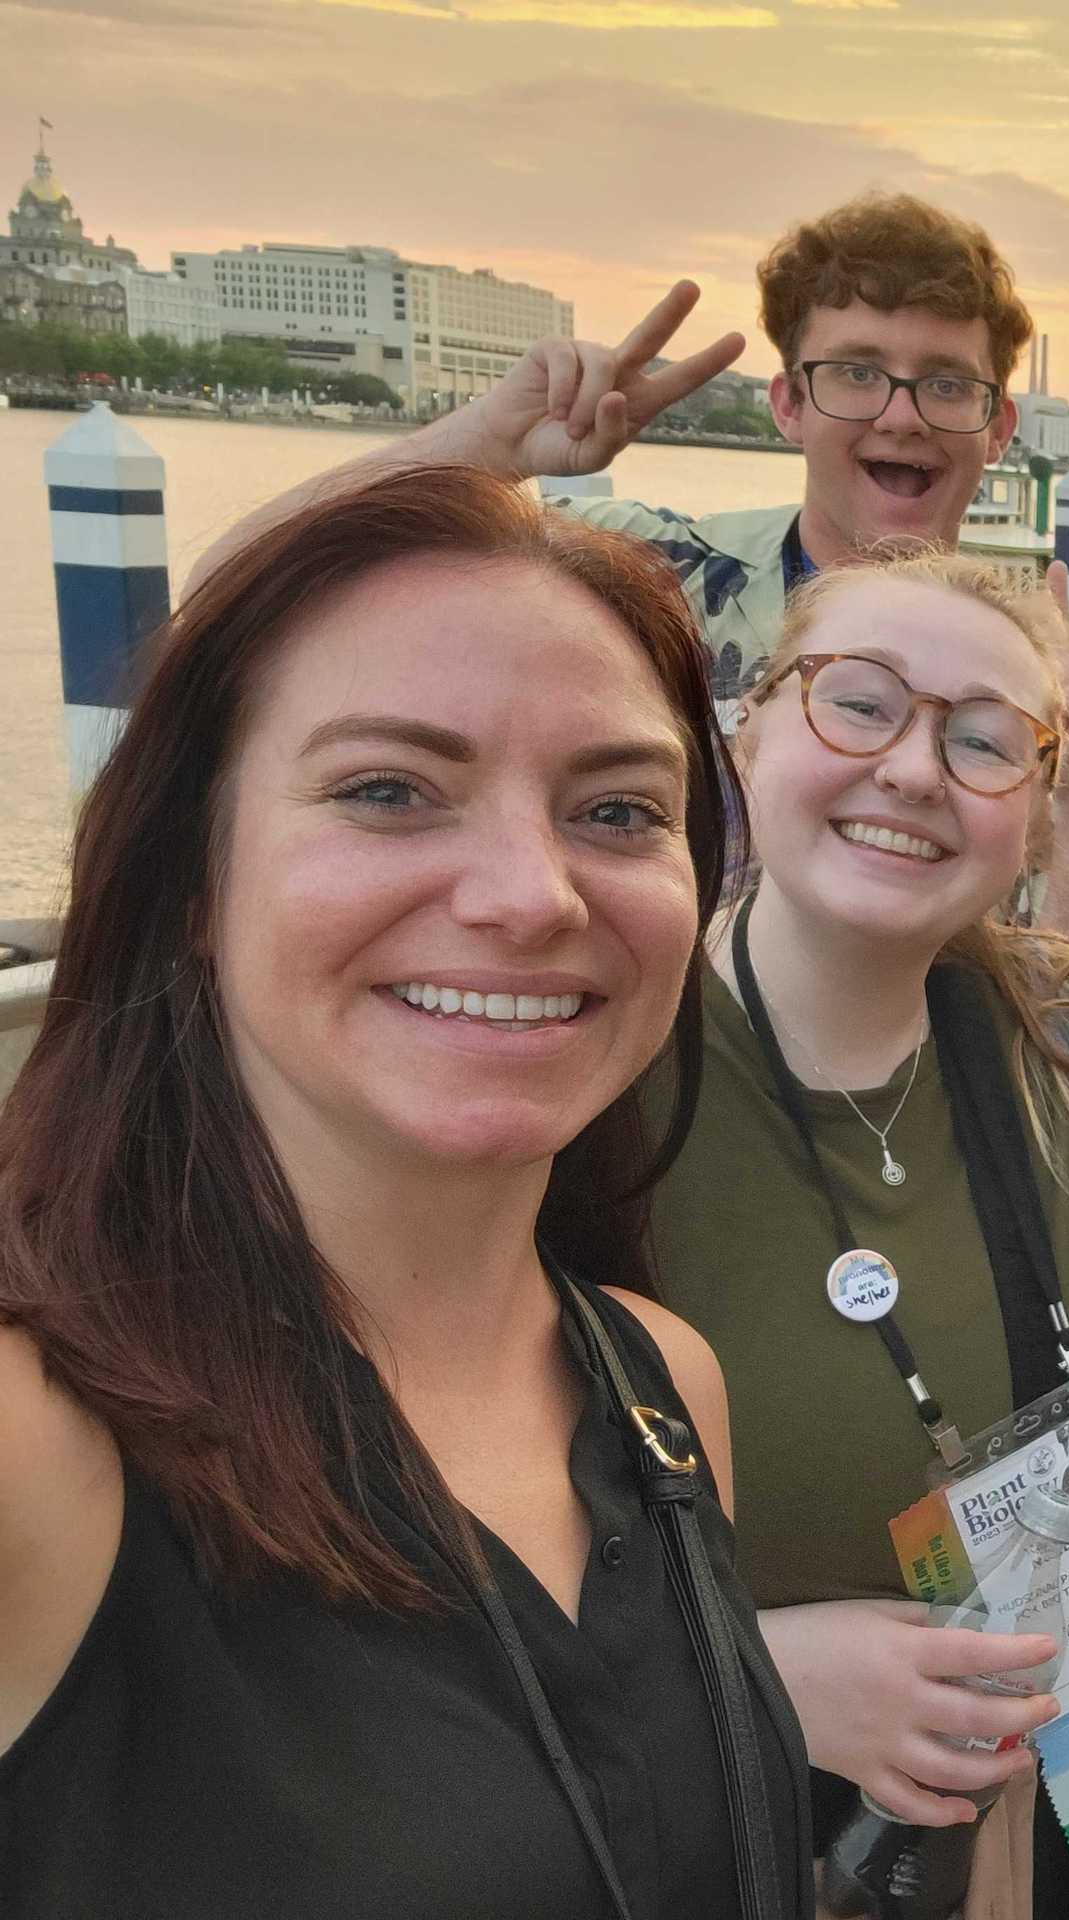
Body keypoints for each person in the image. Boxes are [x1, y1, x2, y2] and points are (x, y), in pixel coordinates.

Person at [0, 466, 809, 1916]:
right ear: (194, 877)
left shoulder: (660, 1388)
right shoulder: (39, 1442)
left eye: (619, 811)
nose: (529, 894)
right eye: (388, 791)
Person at [643, 549, 1069, 1919]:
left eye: (987, 740)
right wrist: (752, 1675)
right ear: (748, 734)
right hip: (733, 1804)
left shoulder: (1058, 1036)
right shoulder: (605, 1077)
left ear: (1036, 816)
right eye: (859, 703)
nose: (918, 771)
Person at [190, 193, 1069, 988]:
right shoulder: (651, 578)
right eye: (856, 373)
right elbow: (234, 589)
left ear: (997, 425)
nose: (901, 414)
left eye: (945, 384)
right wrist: (483, 450)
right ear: (788, 405)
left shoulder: (1028, 680)